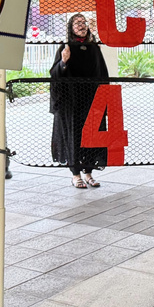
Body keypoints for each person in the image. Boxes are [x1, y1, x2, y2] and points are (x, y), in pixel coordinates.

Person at [50, 13, 109, 188]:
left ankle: (89, 173)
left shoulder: (94, 48)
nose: (81, 25)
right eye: (77, 23)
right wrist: (64, 62)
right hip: (72, 103)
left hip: (92, 101)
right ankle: (76, 175)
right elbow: (55, 74)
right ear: (71, 27)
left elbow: (102, 73)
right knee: (74, 136)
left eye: (83, 22)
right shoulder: (65, 47)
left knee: (92, 135)